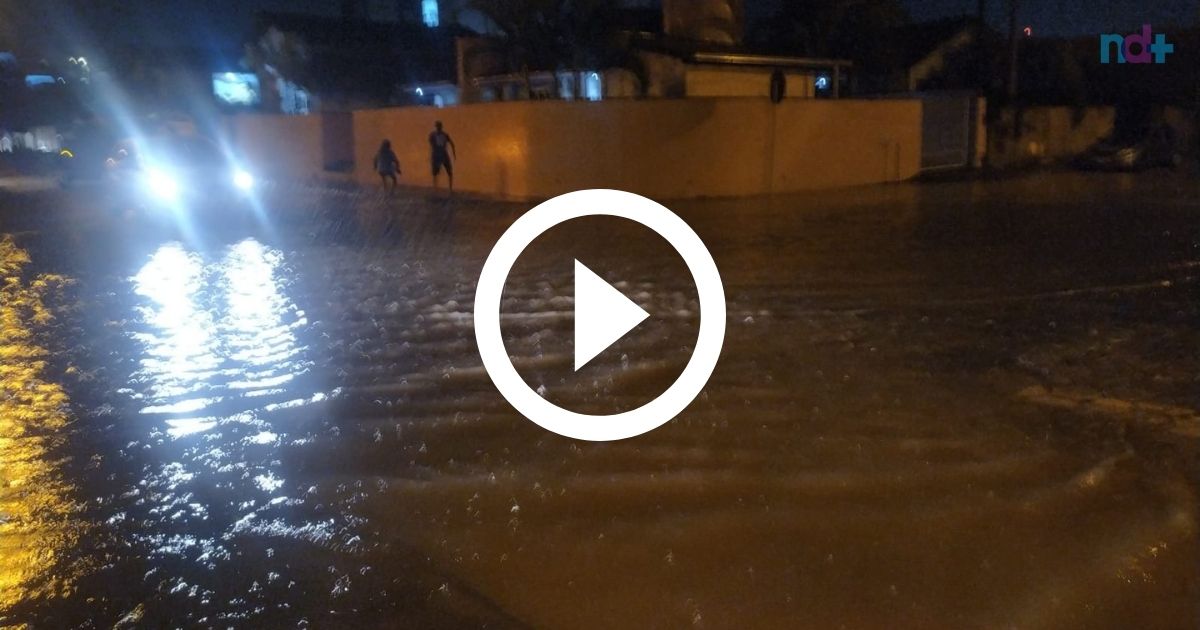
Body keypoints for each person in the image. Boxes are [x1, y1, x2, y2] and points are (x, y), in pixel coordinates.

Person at [428, 121, 456, 192]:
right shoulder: (433, 135)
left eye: (439, 126)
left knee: (449, 170)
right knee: (435, 172)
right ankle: (435, 187)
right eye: (437, 126)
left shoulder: (444, 135)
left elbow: (452, 143)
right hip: (437, 153)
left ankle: (450, 187)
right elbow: (431, 144)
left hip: (442, 153)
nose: (438, 128)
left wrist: (454, 153)